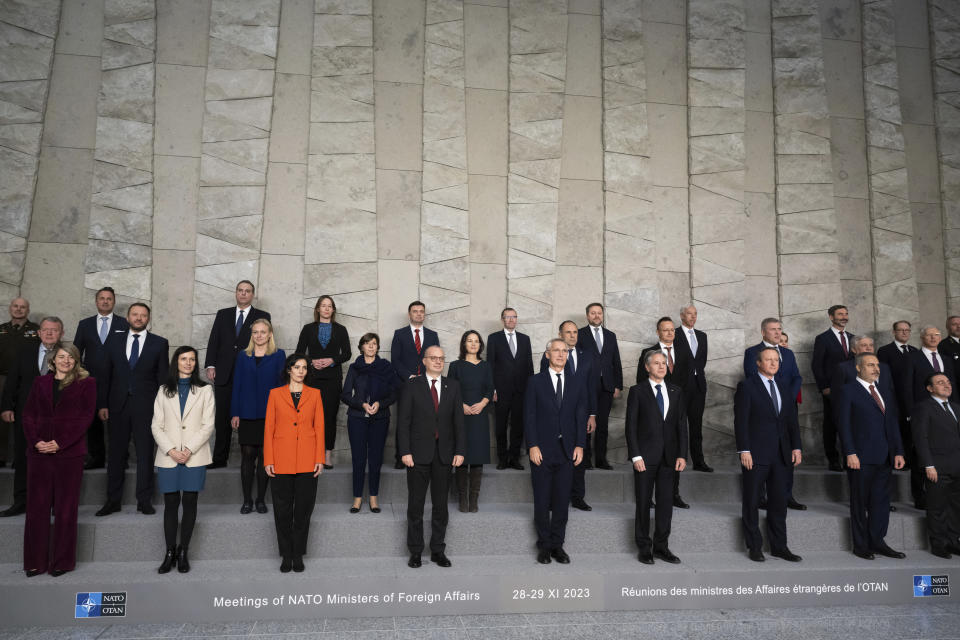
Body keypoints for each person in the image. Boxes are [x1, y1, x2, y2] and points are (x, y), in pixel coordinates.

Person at [21, 343, 96, 577]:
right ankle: (35, 562)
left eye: (70, 358)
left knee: (65, 509)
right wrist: (36, 441)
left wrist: (60, 442)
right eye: (62, 357)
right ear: (53, 360)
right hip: (39, 454)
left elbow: (85, 418)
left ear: (76, 361)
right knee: (36, 509)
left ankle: (62, 562)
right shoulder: (40, 383)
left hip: (68, 455)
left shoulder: (87, 384)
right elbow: (28, 415)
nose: (66, 361)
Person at [95, 303, 170, 516]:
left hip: (146, 407)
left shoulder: (159, 343)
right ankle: (112, 500)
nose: (138, 318)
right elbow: (105, 376)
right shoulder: (113, 340)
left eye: (143, 315)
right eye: (135, 315)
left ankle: (144, 500)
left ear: (148, 318)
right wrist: (102, 404)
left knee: (145, 454)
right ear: (127, 317)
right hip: (117, 406)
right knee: (116, 454)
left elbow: (162, 379)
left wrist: (162, 410)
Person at [397, 345, 465, 569]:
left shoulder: (453, 386)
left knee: (441, 506)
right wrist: (404, 451)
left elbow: (459, 423)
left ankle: (438, 550)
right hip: (416, 455)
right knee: (415, 505)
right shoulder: (412, 385)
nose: (438, 361)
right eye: (433, 358)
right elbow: (403, 421)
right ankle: (416, 551)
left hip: (444, 455)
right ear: (424, 361)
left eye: (441, 358)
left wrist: (460, 450)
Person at [834, 353, 905, 560]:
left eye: (877, 365)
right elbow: (844, 425)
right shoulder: (847, 390)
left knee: (881, 503)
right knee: (859, 502)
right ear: (858, 368)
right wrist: (849, 452)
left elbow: (892, 424)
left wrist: (898, 451)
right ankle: (861, 545)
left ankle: (878, 541)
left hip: (884, 456)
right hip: (860, 457)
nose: (876, 368)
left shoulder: (884, 391)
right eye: (870, 365)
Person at [151, 346, 215, 574]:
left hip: (194, 455)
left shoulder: (205, 390)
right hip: (169, 457)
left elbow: (208, 425)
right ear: (176, 362)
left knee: (189, 503)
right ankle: (169, 552)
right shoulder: (163, 390)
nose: (188, 363)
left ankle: (184, 550)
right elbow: (156, 426)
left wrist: (187, 449)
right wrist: (171, 450)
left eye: (192, 359)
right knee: (170, 505)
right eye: (183, 359)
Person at [735, 347, 802, 563]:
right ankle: (754, 546)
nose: (773, 363)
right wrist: (744, 449)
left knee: (779, 502)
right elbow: (741, 421)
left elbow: (791, 420)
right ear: (758, 363)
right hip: (756, 453)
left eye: (776, 360)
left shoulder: (784, 385)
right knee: (752, 500)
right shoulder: (747, 386)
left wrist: (797, 447)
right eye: (768, 360)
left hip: (782, 454)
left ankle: (779, 546)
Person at [526, 339, 588, 564]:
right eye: (556, 351)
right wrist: (532, 445)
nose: (561, 355)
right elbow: (529, 416)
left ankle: (557, 546)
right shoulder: (535, 382)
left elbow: (581, 416)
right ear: (547, 354)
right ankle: (543, 546)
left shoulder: (577, 382)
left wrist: (580, 445)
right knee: (542, 500)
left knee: (562, 501)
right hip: (541, 450)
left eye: (564, 351)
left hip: (568, 451)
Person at [264, 354, 325, 573]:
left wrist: (320, 459)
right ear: (289, 369)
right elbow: (269, 429)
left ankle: (298, 553)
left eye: (304, 367)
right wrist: (268, 459)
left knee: (303, 510)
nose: (301, 371)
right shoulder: (275, 394)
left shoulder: (315, 394)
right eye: (296, 367)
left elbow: (319, 428)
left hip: (308, 460)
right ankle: (286, 554)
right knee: (282, 510)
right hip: (281, 459)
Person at [626, 351, 687, 564]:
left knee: (665, 504)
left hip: (670, 458)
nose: (661, 367)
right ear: (647, 367)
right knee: (643, 502)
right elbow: (631, 427)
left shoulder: (676, 391)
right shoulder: (637, 391)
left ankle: (662, 546)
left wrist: (682, 454)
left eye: (664, 363)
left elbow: (681, 425)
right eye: (657, 363)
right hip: (645, 457)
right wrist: (635, 455)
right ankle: (644, 547)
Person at [1, 316, 63, 516]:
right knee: (22, 456)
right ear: (39, 332)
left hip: (55, 415)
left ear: (61, 333)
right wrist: (6, 407)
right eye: (45, 329)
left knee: (53, 458)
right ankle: (21, 501)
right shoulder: (26, 351)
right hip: (25, 413)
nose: (49, 333)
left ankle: (52, 502)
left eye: (54, 330)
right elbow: (12, 381)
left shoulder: (67, 355)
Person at [205, 280, 270, 469]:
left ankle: (251, 459)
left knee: (249, 415)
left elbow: (265, 343)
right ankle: (219, 458)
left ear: (253, 295)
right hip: (224, 373)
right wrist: (210, 364)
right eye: (240, 290)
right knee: (222, 417)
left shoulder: (262, 315)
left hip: (250, 373)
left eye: (247, 291)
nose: (243, 294)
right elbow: (214, 340)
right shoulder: (223, 314)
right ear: (236, 293)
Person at [743, 318, 805, 511]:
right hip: (764, 412)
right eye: (773, 330)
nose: (778, 333)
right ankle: (761, 497)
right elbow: (753, 377)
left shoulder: (788, 353)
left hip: (785, 409)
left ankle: (787, 495)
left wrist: (786, 398)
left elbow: (796, 377)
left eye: (780, 329)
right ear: (763, 332)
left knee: (786, 454)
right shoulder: (752, 352)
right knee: (763, 455)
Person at [540, 321, 597, 511]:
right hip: (555, 417)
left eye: (575, 332)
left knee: (579, 456)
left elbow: (591, 388)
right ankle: (553, 498)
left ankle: (578, 497)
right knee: (557, 456)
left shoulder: (587, 356)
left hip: (580, 416)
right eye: (568, 332)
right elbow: (544, 388)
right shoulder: (548, 356)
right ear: (560, 333)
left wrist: (592, 414)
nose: (572, 335)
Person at [341, 333, 400, 514]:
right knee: (359, 459)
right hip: (357, 418)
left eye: (374, 343)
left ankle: (374, 497)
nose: (371, 347)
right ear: (362, 347)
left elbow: (394, 393)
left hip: (380, 418)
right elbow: (345, 395)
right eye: (367, 344)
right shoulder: (354, 368)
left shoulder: (385, 367)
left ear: (377, 347)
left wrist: (379, 404)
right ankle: (357, 499)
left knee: (375, 460)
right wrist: (362, 404)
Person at [902, 326, 960, 509]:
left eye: (937, 335)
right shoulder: (912, 357)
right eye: (930, 335)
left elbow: (953, 386)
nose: (934, 338)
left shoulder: (946, 359)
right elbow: (907, 387)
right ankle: (920, 496)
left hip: (945, 412)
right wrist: (910, 413)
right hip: (921, 413)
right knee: (920, 453)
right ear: (922, 338)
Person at [231, 318, 285, 514]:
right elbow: (236, 385)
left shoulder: (279, 355)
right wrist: (235, 412)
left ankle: (260, 499)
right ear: (251, 335)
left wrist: (282, 414)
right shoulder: (243, 356)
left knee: (265, 457)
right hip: (246, 413)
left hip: (270, 413)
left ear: (270, 334)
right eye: (255, 332)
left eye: (263, 332)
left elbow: (282, 387)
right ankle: (247, 500)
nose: (259, 335)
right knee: (247, 456)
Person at [72, 286, 128, 470]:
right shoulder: (85, 324)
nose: (105, 301)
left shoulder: (124, 324)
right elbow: (76, 353)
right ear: (96, 302)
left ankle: (121, 458)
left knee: (118, 422)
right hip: (91, 380)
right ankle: (96, 457)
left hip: (117, 381)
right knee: (92, 421)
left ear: (114, 302)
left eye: (109, 299)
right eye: (102, 298)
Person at [639, 317, 691, 509]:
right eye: (665, 330)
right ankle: (650, 497)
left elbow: (687, 379)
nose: (670, 333)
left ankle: (674, 494)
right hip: (653, 410)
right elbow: (640, 383)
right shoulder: (648, 353)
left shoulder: (684, 352)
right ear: (658, 332)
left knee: (674, 449)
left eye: (672, 330)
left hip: (676, 404)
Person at [296, 295, 351, 469]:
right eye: (323, 305)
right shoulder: (308, 329)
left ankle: (327, 455)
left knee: (329, 418)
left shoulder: (341, 329)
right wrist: (311, 361)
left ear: (333, 310)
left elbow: (347, 353)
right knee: (308, 418)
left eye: (329, 306)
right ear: (317, 309)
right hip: (312, 378)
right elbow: (299, 352)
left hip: (332, 380)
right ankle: (312, 454)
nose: (326, 309)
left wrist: (332, 360)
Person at [911, 373, 960, 558]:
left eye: (948, 382)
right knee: (937, 507)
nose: (946, 385)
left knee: (956, 507)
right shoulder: (923, 408)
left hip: (957, 466)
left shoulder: (956, 407)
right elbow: (920, 438)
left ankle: (954, 541)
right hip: (937, 467)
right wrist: (928, 465)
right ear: (930, 388)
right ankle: (939, 544)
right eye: (940, 383)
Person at [447, 330, 494, 513]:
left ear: (480, 345)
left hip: (479, 415)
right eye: (469, 340)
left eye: (476, 341)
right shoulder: (456, 366)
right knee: (461, 455)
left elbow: (490, 389)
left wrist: (482, 404)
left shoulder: (486, 366)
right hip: (461, 415)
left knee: (477, 457)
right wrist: (461, 405)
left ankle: (473, 499)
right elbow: (449, 389)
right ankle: (462, 499)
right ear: (464, 344)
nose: (473, 344)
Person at [391, 301, 439, 468]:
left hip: (427, 385)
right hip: (406, 384)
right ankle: (400, 457)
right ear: (409, 314)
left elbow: (436, 359)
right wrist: (409, 376)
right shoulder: (399, 334)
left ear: (424, 314)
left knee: (426, 420)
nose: (418, 314)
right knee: (404, 420)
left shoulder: (433, 335)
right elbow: (395, 360)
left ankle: (422, 454)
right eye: (415, 311)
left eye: (421, 311)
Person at [877, 320, 920, 506]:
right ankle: (899, 457)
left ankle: (909, 459)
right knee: (898, 428)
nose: (904, 333)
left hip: (912, 397)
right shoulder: (885, 351)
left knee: (912, 430)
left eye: (907, 330)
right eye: (900, 330)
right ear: (893, 332)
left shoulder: (915, 352)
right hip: (893, 395)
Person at [486, 308, 533, 470]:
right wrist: (492, 389)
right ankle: (502, 458)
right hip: (501, 390)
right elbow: (490, 365)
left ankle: (514, 458)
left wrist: (531, 389)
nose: (511, 320)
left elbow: (529, 365)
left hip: (521, 390)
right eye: (508, 317)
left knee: (518, 426)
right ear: (502, 319)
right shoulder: (493, 338)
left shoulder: (525, 339)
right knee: (500, 426)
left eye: (514, 317)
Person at [578, 303, 622, 470]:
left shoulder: (610, 335)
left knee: (603, 424)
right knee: (586, 423)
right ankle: (586, 459)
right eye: (593, 313)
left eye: (599, 313)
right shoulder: (580, 334)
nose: (597, 316)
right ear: (587, 316)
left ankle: (601, 459)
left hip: (607, 386)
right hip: (587, 386)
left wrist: (618, 385)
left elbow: (615, 360)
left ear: (602, 315)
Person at [811, 304, 855, 471]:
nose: (844, 317)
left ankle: (849, 457)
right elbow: (817, 365)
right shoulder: (822, 338)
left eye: (846, 313)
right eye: (840, 314)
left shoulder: (854, 338)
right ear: (831, 317)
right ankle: (833, 459)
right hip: (832, 390)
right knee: (831, 424)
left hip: (852, 389)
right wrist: (824, 387)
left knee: (851, 424)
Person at [0, 298, 39, 467]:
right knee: (2, 419)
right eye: (16, 306)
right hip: (3, 378)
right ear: (10, 309)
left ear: (28, 310)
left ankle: (21, 458)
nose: (18, 309)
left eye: (22, 307)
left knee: (25, 419)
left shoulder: (36, 330)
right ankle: (1, 457)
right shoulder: (1, 329)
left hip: (27, 381)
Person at [673, 304, 710, 472]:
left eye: (695, 314)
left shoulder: (702, 336)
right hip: (679, 386)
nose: (693, 317)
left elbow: (701, 361)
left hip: (698, 386)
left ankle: (699, 461)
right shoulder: (674, 334)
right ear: (682, 316)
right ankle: (677, 459)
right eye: (689, 314)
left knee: (696, 426)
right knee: (677, 425)